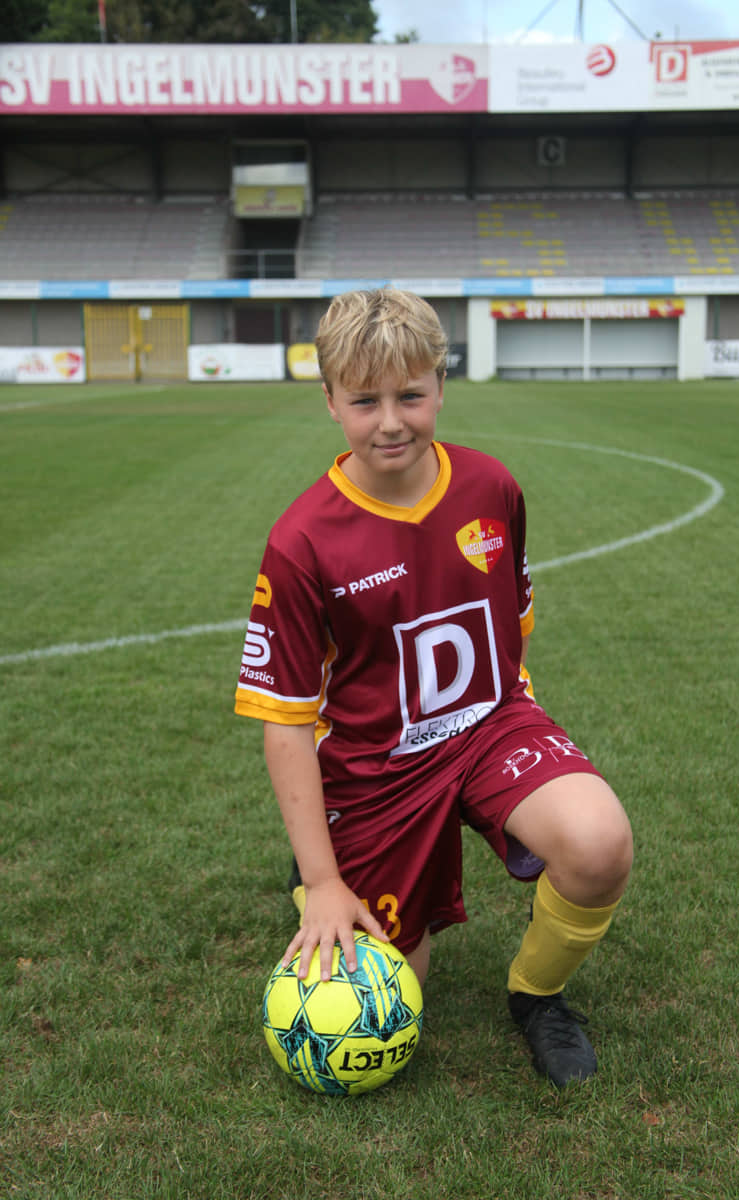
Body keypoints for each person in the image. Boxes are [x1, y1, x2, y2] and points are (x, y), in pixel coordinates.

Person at [235, 288, 633, 1087]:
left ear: (441, 387)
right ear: (330, 400)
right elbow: (286, 722)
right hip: (376, 766)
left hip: (488, 724)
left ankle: (537, 998)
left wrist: (509, 709)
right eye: (365, 401)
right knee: (391, 988)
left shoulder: (491, 488)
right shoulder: (303, 540)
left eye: (410, 396)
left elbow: (513, 620)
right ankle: (320, 865)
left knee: (599, 843)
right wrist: (325, 882)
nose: (391, 421)